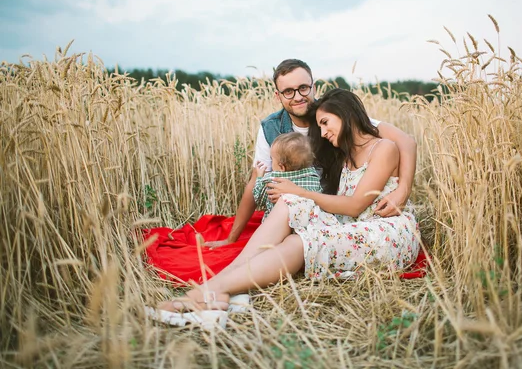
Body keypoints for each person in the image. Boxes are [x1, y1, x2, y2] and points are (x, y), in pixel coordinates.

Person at [153, 89, 421, 323]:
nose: (324, 132)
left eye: (326, 123)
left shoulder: (383, 147)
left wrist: (403, 189)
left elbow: (352, 206)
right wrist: (292, 195)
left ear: (346, 113)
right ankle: (226, 284)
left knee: (299, 240)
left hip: (383, 231)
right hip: (352, 225)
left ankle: (204, 293)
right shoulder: (345, 153)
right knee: (288, 202)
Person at [205, 59, 417, 248]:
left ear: (313, 87)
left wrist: (403, 190)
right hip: (294, 211)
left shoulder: (333, 114)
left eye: (303, 88)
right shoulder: (270, 128)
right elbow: (255, 179)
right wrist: (231, 238)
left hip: (333, 211)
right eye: (288, 91)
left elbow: (406, 142)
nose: (298, 96)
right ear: (277, 96)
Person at [253, 132, 322, 218]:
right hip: (307, 226)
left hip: (277, 225)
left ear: (281, 167)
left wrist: (259, 177)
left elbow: (259, 198)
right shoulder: (313, 177)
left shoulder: (272, 180)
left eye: (272, 159)